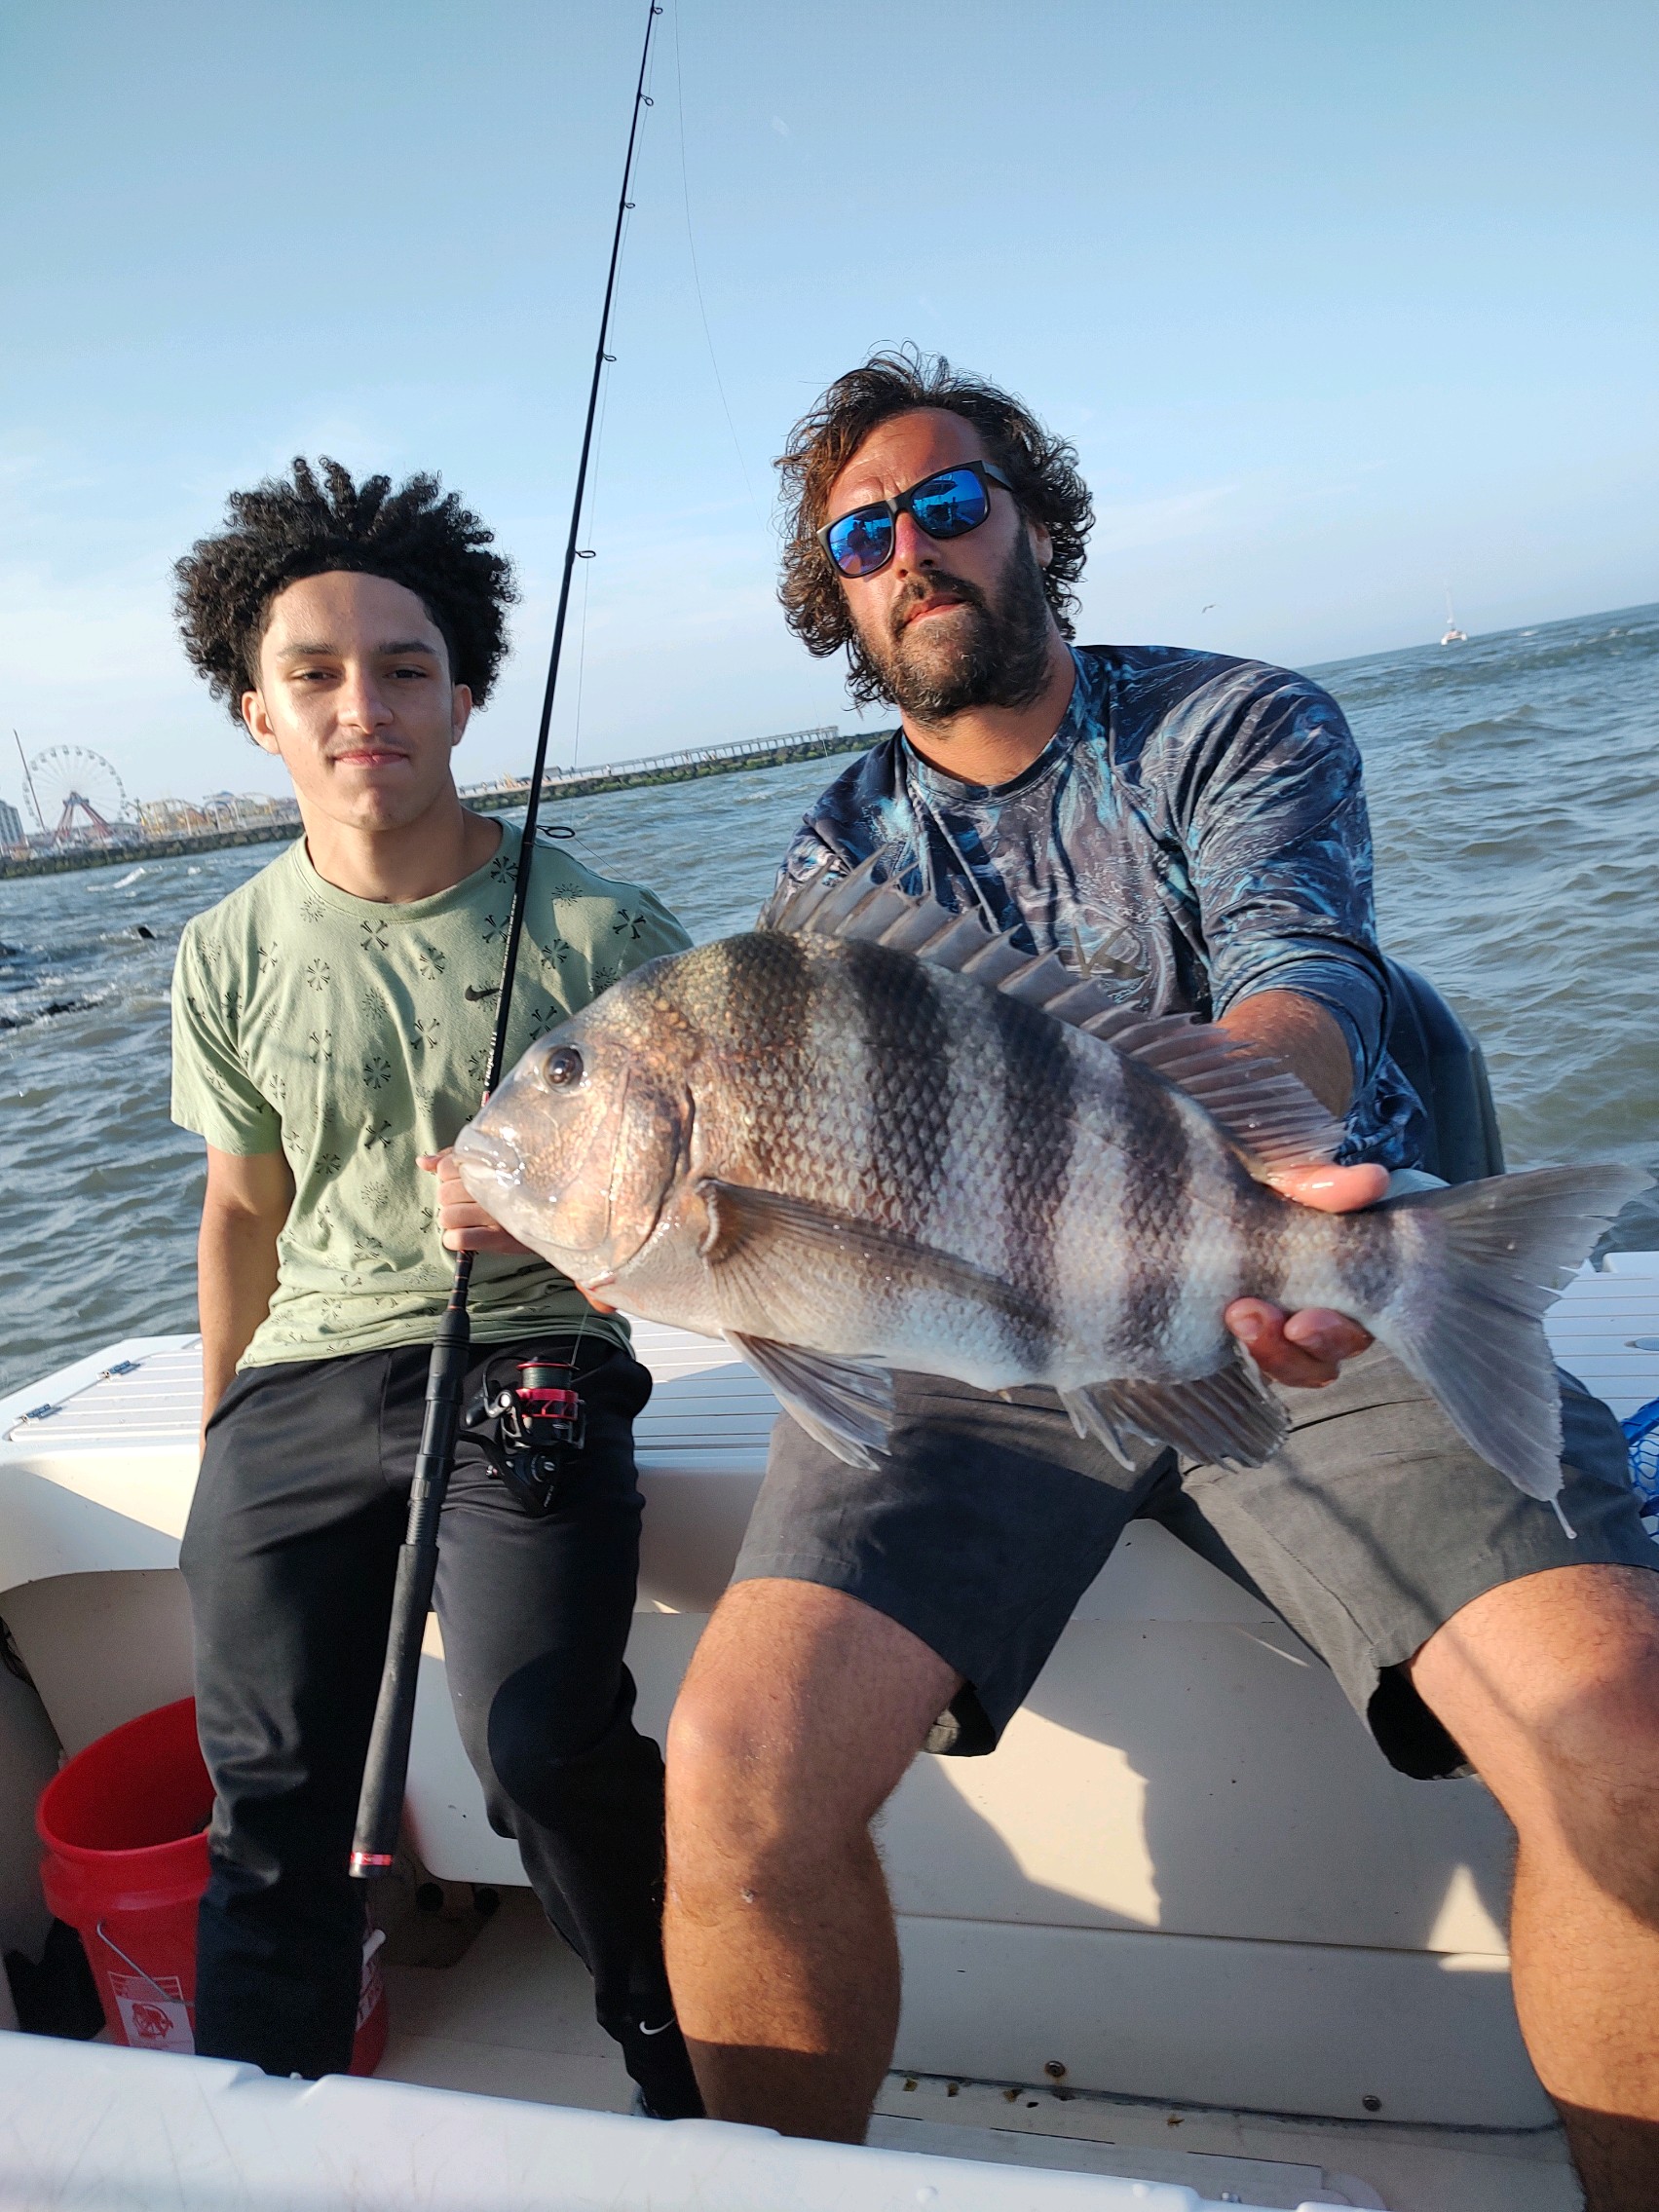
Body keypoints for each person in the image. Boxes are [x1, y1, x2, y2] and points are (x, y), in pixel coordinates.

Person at [658, 353, 1659, 2206]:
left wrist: (1272, 1174)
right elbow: (802, 1212)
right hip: (968, 1341)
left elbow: (1300, 966)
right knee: (730, 1768)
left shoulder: (1228, 721)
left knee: (1624, 1731)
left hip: (1286, 1284)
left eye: (948, 502)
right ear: (836, 599)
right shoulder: (838, 859)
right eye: (863, 538)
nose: (910, 552)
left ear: (1034, 520)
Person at [170, 457, 700, 2116]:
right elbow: (243, 1212)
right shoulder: (224, 951)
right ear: (257, 711)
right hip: (299, 1384)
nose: (363, 707)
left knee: (540, 1746)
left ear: (465, 695)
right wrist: (223, 1433)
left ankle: (677, 2057)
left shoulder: (605, 930)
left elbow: (701, 1217)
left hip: (531, 1358)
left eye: (404, 668)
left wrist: (547, 1226)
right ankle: (256, 2128)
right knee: (271, 1785)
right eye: (313, 673)